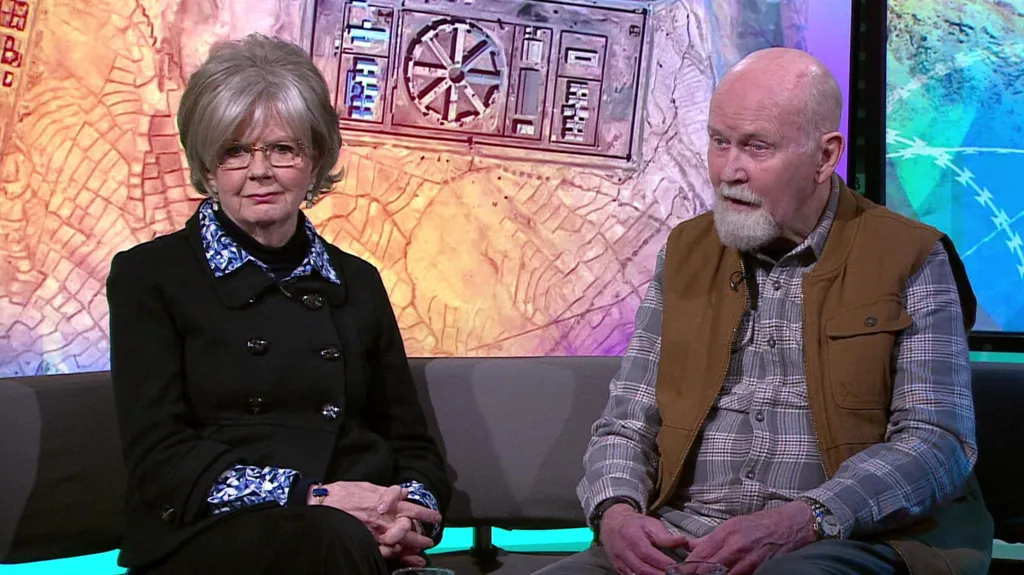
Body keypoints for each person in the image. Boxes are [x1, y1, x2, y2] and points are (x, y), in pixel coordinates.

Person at [535, 47, 993, 575]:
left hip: (845, 539)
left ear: (825, 157)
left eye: (757, 147)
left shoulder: (911, 256)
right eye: (719, 142)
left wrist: (806, 518)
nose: (730, 170)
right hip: (681, 540)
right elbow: (626, 424)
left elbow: (938, 442)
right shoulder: (685, 252)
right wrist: (616, 514)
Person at [107, 33, 450, 574]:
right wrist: (317, 498)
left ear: (315, 160)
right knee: (328, 542)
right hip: (209, 535)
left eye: (282, 149)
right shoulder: (151, 276)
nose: (259, 170)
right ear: (207, 166)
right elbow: (162, 457)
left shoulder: (357, 281)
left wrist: (404, 517)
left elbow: (412, 444)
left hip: (358, 535)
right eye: (235, 151)